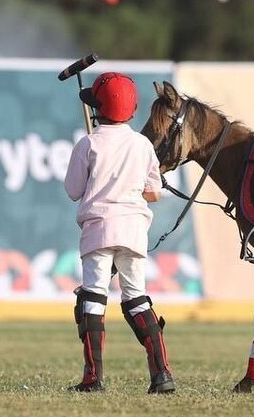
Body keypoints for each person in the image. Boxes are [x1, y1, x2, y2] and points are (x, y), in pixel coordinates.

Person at [64, 71, 174, 394]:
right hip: (134, 231)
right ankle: (162, 375)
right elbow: (154, 192)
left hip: (98, 231)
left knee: (93, 299)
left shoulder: (88, 143)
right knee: (137, 299)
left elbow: (73, 190)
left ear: (98, 109)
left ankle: (92, 378)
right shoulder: (142, 145)